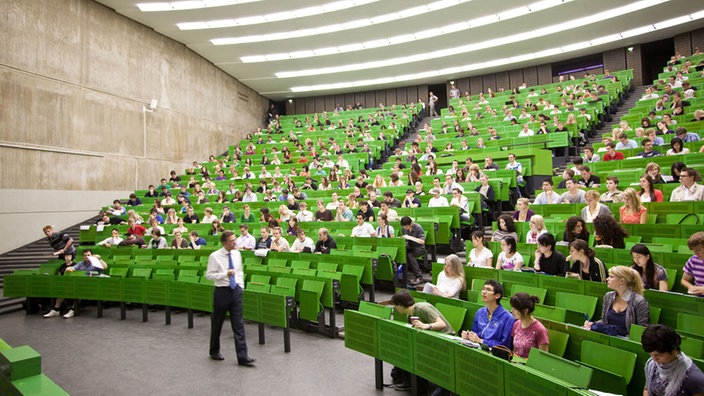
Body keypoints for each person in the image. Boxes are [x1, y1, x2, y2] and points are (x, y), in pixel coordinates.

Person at [205, 231, 255, 366]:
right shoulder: (214, 256)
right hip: (222, 291)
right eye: (232, 241)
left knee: (238, 324)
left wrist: (240, 286)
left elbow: (239, 272)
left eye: (235, 239)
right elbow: (209, 276)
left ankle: (242, 356)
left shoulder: (237, 253)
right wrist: (224, 275)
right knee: (217, 322)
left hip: (235, 290)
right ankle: (214, 350)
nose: (235, 242)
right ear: (224, 243)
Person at [583, 266, 649, 336]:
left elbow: (642, 329)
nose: (607, 279)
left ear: (622, 281)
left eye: (611, 277)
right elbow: (604, 320)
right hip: (609, 336)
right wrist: (592, 324)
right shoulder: (608, 296)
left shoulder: (639, 301)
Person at [641, 324, 704, 396]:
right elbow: (646, 389)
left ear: (674, 349)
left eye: (659, 355)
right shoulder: (652, 365)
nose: (654, 359)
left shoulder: (694, 378)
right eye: (651, 354)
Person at [461, 280, 513, 347]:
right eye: (483, 289)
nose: (484, 292)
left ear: (497, 296)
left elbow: (504, 345)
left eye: (488, 290)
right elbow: (475, 334)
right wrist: (468, 336)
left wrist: (482, 341)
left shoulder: (508, 317)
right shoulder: (480, 312)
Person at [509, 293, 549, 359]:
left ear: (525, 311)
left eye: (515, 309)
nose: (512, 311)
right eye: (512, 307)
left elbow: (543, 357)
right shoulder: (516, 324)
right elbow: (515, 350)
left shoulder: (540, 330)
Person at [400, 216, 426, 285]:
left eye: (406, 226)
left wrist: (410, 237)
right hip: (409, 246)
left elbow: (422, 241)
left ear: (410, 223)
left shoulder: (418, 228)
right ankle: (403, 276)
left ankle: (419, 276)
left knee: (410, 255)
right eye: (404, 227)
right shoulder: (404, 228)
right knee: (402, 253)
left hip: (419, 247)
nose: (405, 228)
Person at [682, 231, 704, 297]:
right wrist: (691, 287)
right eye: (694, 251)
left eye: (698, 250)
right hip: (698, 299)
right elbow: (684, 280)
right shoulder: (693, 260)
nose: (696, 254)